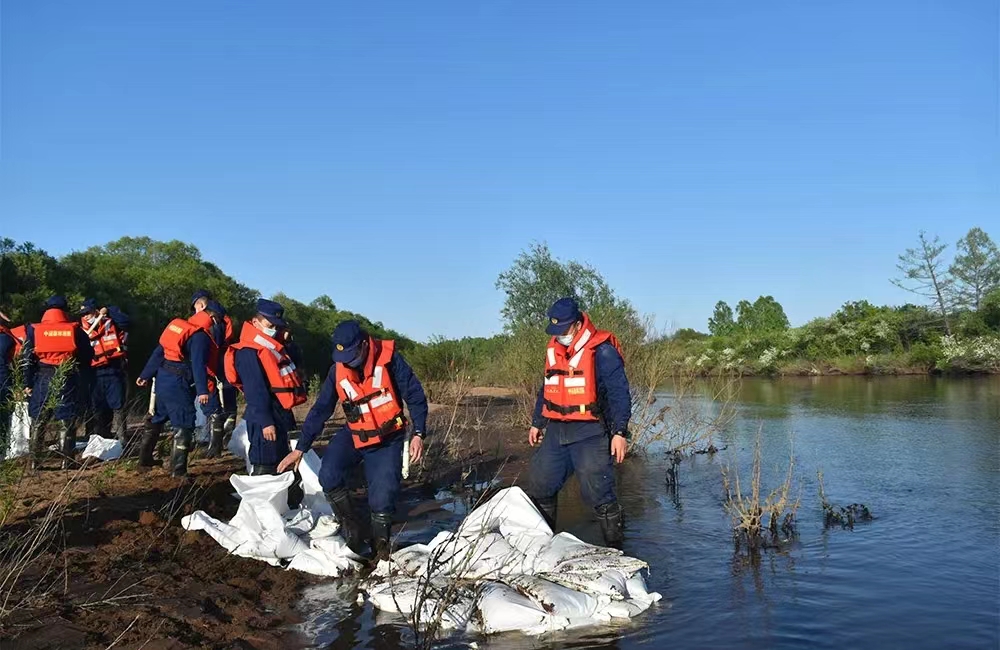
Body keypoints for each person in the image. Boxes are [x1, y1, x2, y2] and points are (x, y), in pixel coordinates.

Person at [277, 320, 428, 561]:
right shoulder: (338, 369)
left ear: (365, 344)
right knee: (328, 474)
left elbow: (416, 397)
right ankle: (354, 528)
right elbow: (321, 409)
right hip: (355, 433)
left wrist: (419, 434)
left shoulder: (390, 361)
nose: (347, 361)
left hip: (388, 439)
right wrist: (301, 448)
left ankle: (380, 550)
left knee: (382, 498)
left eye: (351, 354)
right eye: (342, 356)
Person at [523, 297, 632, 547]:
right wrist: (537, 422)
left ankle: (617, 552)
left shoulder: (602, 351)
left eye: (563, 329)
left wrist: (619, 432)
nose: (559, 335)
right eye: (555, 330)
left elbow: (619, 393)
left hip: (590, 432)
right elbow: (547, 388)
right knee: (541, 486)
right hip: (557, 430)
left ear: (575, 324)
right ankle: (544, 546)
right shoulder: (554, 351)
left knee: (598, 494)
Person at [225, 299, 307, 486]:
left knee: (283, 460)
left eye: (277, 327)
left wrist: (288, 340)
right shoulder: (247, 351)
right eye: (270, 326)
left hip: (280, 412)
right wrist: (266, 422)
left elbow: (295, 365)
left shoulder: (273, 347)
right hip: (264, 417)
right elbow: (255, 390)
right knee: (265, 463)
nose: (274, 330)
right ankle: (260, 507)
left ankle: (285, 505)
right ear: (255, 322)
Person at [135, 304, 221, 477]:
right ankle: (178, 471)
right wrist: (203, 390)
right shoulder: (199, 337)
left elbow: (159, 352)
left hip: (162, 378)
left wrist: (145, 374)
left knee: (158, 417)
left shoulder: (178, 327)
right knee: (184, 424)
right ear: (212, 318)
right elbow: (198, 365)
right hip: (179, 382)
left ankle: (144, 459)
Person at [23, 296, 94, 470]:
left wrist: (27, 382)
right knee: (67, 418)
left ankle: (34, 462)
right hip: (66, 376)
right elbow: (87, 355)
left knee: (39, 418)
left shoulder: (34, 330)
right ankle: (67, 461)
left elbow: (27, 359)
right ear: (65, 310)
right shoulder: (74, 329)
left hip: (42, 375)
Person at [192, 290, 238, 455]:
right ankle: (222, 437)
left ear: (202, 305)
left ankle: (214, 446)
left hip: (211, 367)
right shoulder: (223, 320)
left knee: (211, 404)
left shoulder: (207, 325)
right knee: (226, 401)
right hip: (225, 363)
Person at [80, 299, 130, 448]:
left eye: (87, 313)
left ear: (95, 311)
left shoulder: (111, 321)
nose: (85, 316)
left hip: (113, 369)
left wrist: (110, 309)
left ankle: (122, 440)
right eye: (82, 314)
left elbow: (127, 323)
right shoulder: (80, 328)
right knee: (96, 407)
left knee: (118, 405)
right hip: (93, 372)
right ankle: (97, 440)